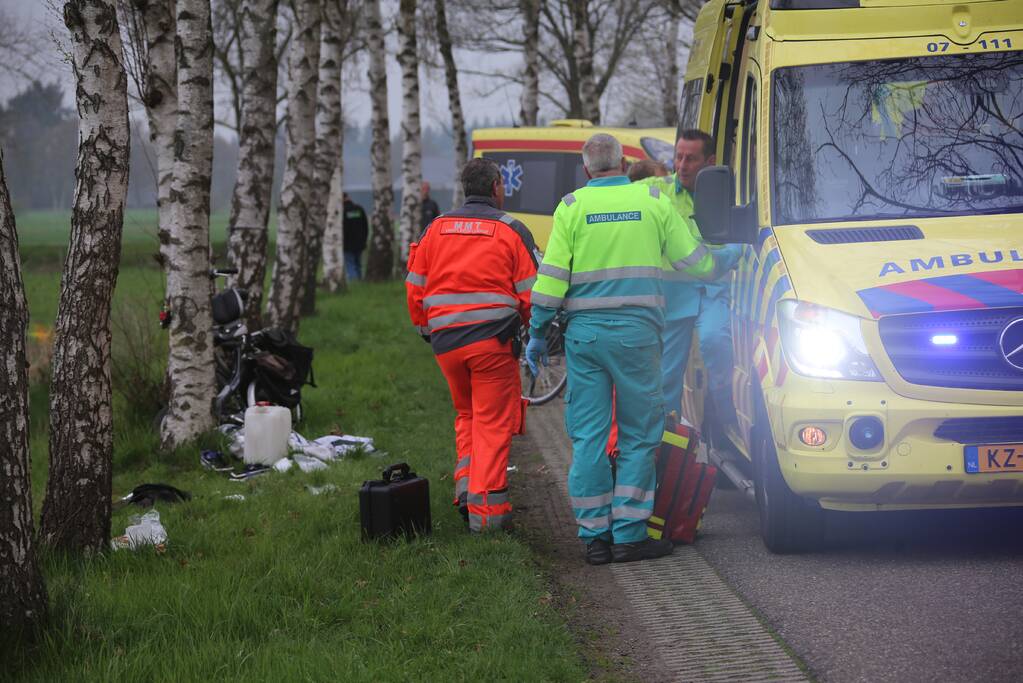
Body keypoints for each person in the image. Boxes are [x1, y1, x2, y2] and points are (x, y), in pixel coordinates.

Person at [526, 133, 721, 565]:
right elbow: (694, 262)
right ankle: (630, 534)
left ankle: (595, 538)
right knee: (638, 435)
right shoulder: (653, 203)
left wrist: (537, 332)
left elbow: (552, 279)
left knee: (589, 437)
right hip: (637, 337)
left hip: (586, 340)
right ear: (621, 162)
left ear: (586, 169)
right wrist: (727, 260)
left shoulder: (572, 208)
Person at [406, 158, 538, 533]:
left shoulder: (436, 228)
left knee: (468, 416)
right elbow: (530, 295)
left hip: (446, 345)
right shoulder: (510, 229)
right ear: (498, 185)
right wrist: (537, 334)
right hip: (492, 345)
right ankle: (486, 518)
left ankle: (466, 488)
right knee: (494, 424)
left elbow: (415, 285)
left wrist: (426, 328)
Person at [636, 130, 742, 430]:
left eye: (690, 159)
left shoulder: (728, 192)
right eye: (678, 157)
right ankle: (665, 443)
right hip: (676, 296)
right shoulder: (659, 190)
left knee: (714, 341)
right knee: (668, 376)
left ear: (709, 161)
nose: (681, 165)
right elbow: (621, 193)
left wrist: (735, 251)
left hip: (714, 291)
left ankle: (725, 409)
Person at [342, 192, 369, 280]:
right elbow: (366, 226)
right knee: (358, 264)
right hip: (360, 243)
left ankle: (354, 283)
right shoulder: (359, 209)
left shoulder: (342, 211)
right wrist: (364, 240)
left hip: (347, 244)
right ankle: (360, 281)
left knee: (350, 265)